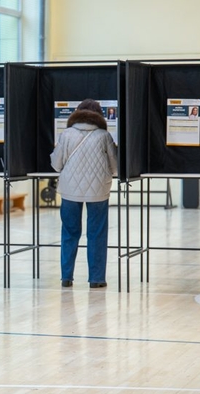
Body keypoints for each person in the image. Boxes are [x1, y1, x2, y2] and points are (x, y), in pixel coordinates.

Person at [50, 98, 117, 289]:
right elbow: (115, 167)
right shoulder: (104, 136)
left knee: (69, 232)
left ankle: (66, 277)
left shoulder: (66, 134)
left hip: (70, 191)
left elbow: (56, 165)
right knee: (97, 234)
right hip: (99, 191)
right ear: (99, 116)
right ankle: (96, 279)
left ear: (77, 113)